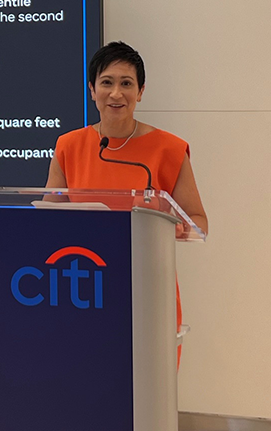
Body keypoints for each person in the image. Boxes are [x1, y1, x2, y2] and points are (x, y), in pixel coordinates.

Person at [46, 41, 208, 363]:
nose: (116, 94)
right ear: (92, 90)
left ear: (141, 91)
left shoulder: (168, 149)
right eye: (106, 82)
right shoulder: (69, 145)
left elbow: (198, 223)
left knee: (146, 397)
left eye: (126, 84)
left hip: (146, 289)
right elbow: (48, 216)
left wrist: (155, 225)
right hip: (82, 289)